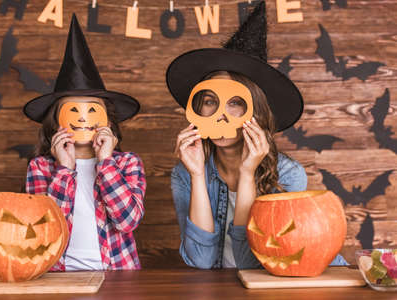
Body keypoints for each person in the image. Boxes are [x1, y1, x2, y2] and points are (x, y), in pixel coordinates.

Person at [166, 2, 347, 269]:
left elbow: (249, 262)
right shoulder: (184, 174)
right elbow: (201, 262)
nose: (221, 115)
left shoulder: (287, 174)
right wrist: (196, 175)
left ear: (257, 112)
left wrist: (248, 174)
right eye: (209, 101)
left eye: (235, 103)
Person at [23, 14, 146, 271]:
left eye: (92, 111)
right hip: (60, 275)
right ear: (56, 122)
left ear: (108, 121)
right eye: (73, 111)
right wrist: (65, 169)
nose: (82, 118)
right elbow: (45, 229)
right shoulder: (41, 168)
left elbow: (127, 222)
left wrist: (106, 163)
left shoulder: (127, 163)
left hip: (117, 273)